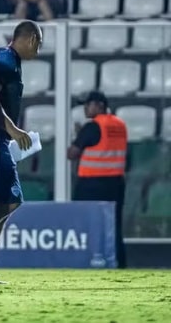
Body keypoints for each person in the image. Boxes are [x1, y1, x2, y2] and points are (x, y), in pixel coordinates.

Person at [0, 20, 41, 283]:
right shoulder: (4, 62)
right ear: (31, 40)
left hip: (0, 139)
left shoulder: (10, 62)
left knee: (3, 203)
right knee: (8, 200)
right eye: (38, 44)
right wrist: (14, 129)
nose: (38, 51)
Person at [68, 90, 127, 269]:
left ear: (99, 106)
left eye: (88, 105)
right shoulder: (120, 124)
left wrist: (78, 135)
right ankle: (119, 262)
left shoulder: (93, 126)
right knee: (113, 226)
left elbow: (72, 153)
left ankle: (88, 260)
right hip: (116, 183)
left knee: (85, 224)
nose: (85, 109)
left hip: (91, 184)